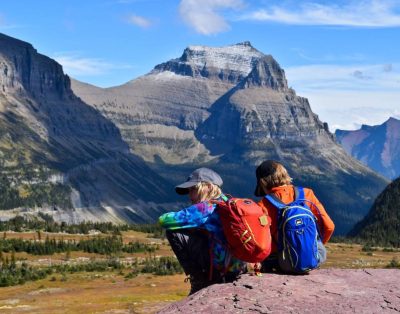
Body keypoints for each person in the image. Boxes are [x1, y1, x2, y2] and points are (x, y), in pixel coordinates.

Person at [159, 168, 247, 295]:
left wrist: (190, 224)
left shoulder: (206, 208)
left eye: (193, 189)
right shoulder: (228, 202)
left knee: (173, 232)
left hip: (220, 270)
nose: (190, 195)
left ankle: (199, 280)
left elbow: (164, 221)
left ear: (209, 187)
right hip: (239, 267)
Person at [254, 160, 335, 273]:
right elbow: (329, 226)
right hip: (314, 258)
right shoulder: (307, 194)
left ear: (262, 183)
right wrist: (311, 247)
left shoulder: (263, 205)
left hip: (282, 262)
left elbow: (262, 242)